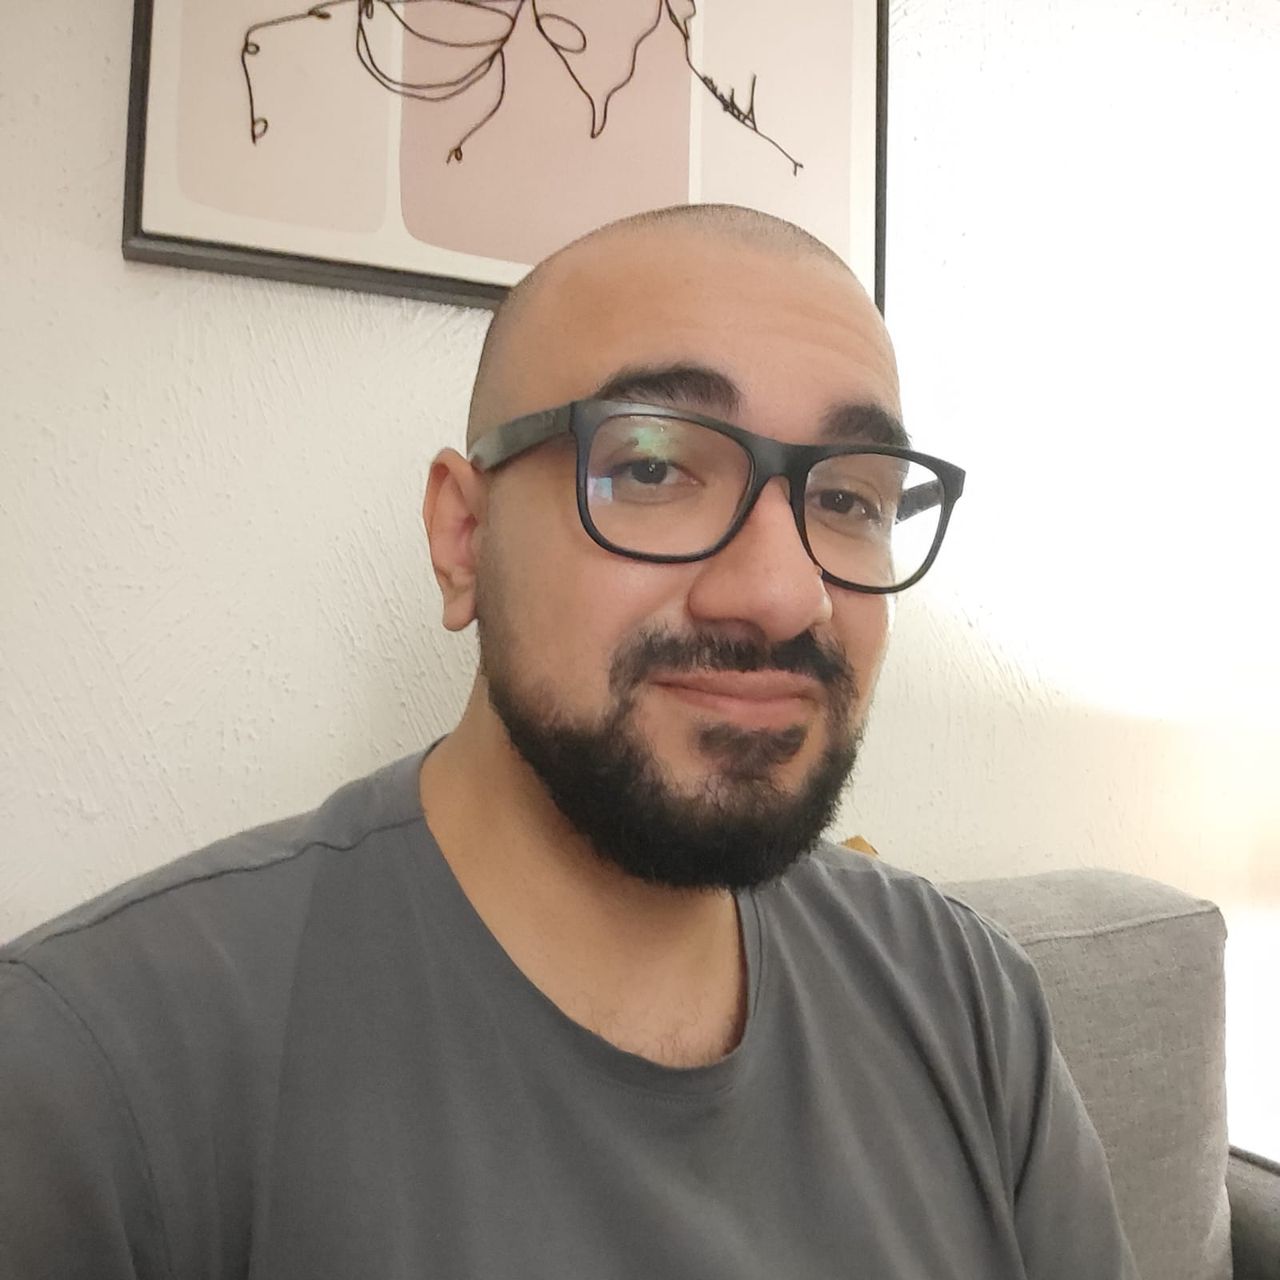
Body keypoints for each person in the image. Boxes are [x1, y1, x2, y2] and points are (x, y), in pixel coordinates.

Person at [0, 204, 1137, 1278]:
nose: (783, 594)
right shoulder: (94, 1072)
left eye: (849, 500)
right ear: (463, 535)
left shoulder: (969, 1004)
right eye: (652, 467)